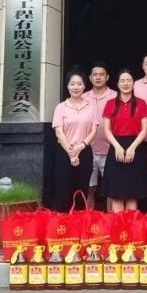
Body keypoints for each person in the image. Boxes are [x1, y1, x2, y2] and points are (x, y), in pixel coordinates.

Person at [101, 68, 147, 212]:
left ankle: (131, 225)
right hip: (116, 147)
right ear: (118, 84)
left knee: (132, 195)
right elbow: (107, 129)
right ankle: (119, 225)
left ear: (133, 83)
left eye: (129, 80)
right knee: (117, 195)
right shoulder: (110, 103)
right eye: (122, 81)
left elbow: (145, 130)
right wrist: (117, 147)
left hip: (136, 148)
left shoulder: (141, 103)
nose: (126, 83)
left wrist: (132, 148)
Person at [50, 71, 99, 212]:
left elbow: (93, 131)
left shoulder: (91, 107)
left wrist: (81, 147)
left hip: (84, 152)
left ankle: (79, 223)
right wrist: (71, 153)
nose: (75, 87)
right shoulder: (61, 107)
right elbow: (59, 132)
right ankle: (60, 224)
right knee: (62, 192)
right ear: (67, 86)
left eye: (79, 84)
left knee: (81, 192)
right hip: (64, 153)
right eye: (72, 84)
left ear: (84, 86)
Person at [83, 61, 115, 207]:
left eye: (101, 74)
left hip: (110, 150)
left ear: (107, 77)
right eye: (95, 75)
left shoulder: (115, 96)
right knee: (89, 188)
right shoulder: (83, 97)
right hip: (88, 150)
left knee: (111, 190)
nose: (98, 77)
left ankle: (111, 219)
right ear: (90, 78)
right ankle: (89, 217)